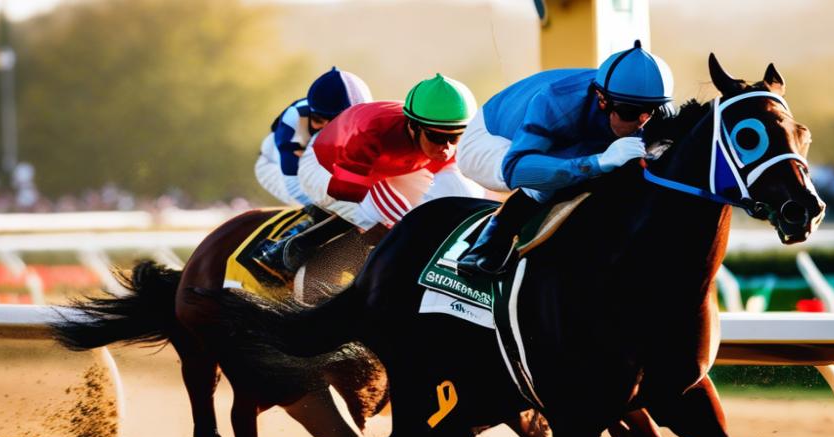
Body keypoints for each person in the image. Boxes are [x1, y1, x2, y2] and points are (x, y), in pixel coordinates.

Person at [455, 40, 674, 277]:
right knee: (558, 177)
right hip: (491, 140)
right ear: (602, 99)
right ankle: (488, 245)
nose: (641, 121)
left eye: (651, 111)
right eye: (630, 112)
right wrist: (598, 162)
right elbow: (516, 168)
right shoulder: (557, 102)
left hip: (566, 137)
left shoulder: (641, 106)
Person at [256, 73, 483, 275]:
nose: (446, 147)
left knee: (452, 196)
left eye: (455, 138)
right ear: (413, 126)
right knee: (386, 217)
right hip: (323, 166)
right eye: (436, 137)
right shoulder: (373, 133)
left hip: (384, 165)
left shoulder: (435, 130)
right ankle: (295, 246)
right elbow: (346, 192)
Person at [254, 67, 373, 207]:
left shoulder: (370, 121)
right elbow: (293, 183)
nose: (328, 130)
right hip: (275, 167)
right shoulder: (295, 118)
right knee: (329, 208)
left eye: (339, 122)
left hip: (322, 167)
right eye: (319, 119)